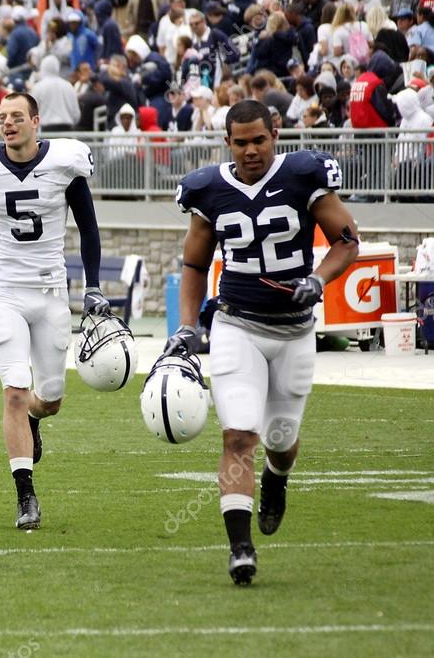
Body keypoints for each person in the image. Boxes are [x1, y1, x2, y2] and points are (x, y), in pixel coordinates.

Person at [168, 99, 359, 585]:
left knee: (280, 442)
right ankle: (240, 548)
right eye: (241, 142)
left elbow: (347, 240)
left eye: (259, 140)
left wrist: (318, 280)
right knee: (238, 435)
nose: (251, 150)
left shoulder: (302, 175)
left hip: (295, 330)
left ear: (275, 134)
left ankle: (277, 477)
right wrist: (188, 325)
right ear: (227, 143)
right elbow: (193, 264)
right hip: (237, 325)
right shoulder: (208, 188)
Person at [0, 92, 108, 530]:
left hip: (51, 292)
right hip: (6, 290)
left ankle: (35, 419)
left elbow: (88, 227)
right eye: (1, 118)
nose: (8, 124)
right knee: (14, 389)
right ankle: (25, 494)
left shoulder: (66, 163)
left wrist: (93, 286)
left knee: (48, 401)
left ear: (36, 121)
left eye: (17, 117)